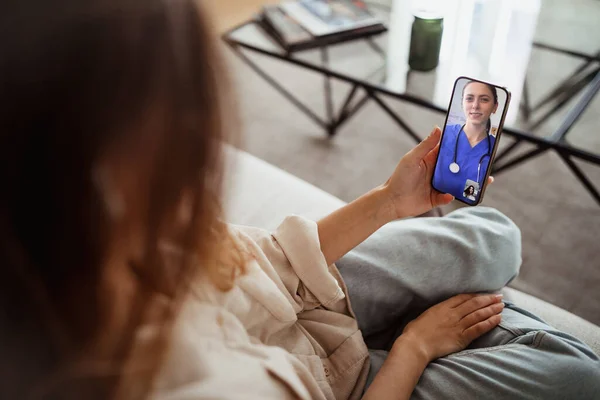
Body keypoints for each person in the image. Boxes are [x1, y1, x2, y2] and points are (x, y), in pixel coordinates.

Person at [1, 1, 599, 399]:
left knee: (494, 236)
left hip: (304, 310)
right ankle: (416, 331)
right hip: (345, 383)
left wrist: (390, 202)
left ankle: (437, 322)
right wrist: (415, 349)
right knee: (576, 374)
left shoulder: (119, 228)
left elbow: (267, 260)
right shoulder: (196, 385)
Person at [432, 80, 498, 203]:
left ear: (495, 107)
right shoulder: (447, 133)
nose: (475, 105)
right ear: (462, 103)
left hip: (462, 204)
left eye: (484, 99)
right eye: (469, 99)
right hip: (434, 194)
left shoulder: (492, 146)